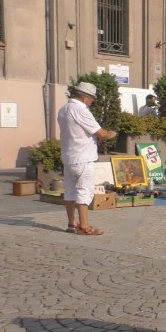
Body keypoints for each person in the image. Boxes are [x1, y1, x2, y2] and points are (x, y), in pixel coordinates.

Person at [57, 82, 117, 235]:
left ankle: (72, 223)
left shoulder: (63, 109)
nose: (92, 102)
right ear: (85, 98)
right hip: (83, 157)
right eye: (92, 99)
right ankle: (84, 226)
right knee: (84, 190)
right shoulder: (80, 110)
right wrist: (112, 133)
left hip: (69, 156)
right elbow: (101, 133)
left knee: (70, 191)